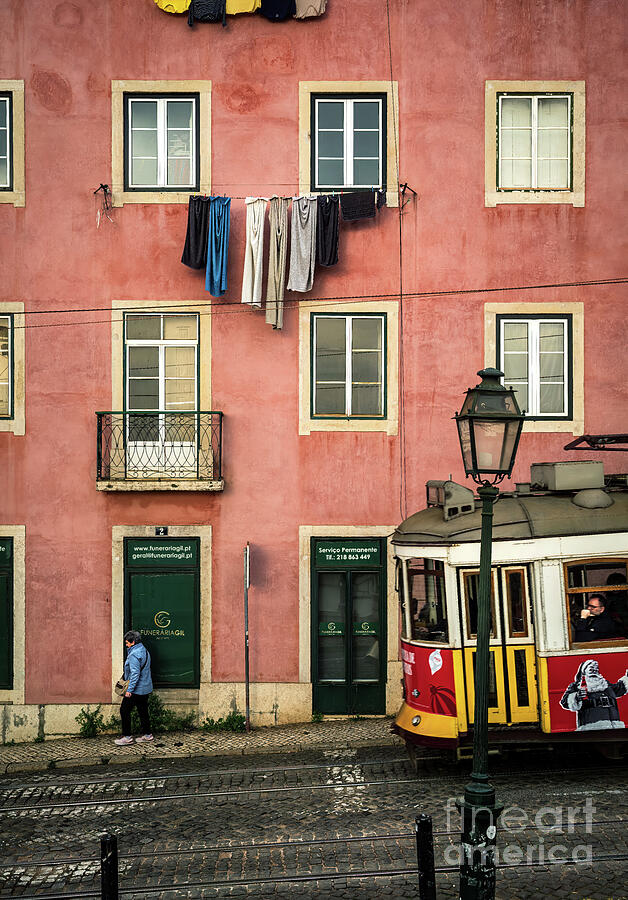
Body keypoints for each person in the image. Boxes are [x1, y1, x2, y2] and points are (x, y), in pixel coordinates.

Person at [559, 659, 628, 731]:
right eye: (591, 668)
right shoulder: (576, 686)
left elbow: (620, 689)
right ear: (584, 670)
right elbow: (564, 702)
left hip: (613, 725)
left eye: (596, 668)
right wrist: (577, 696)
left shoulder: (605, 684)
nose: (595, 670)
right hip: (591, 726)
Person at [114, 630, 153, 746]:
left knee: (124, 710)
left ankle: (127, 737)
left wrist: (129, 690)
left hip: (136, 689)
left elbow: (135, 674)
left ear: (133, 642)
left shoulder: (134, 655)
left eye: (127, 643)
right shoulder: (145, 651)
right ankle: (147, 735)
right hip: (145, 688)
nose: (126, 644)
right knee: (143, 711)